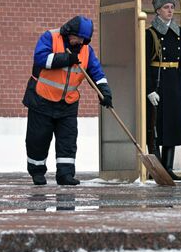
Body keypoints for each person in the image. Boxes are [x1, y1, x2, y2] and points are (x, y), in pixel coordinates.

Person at [22, 16, 113, 186]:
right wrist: (66, 58)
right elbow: (41, 58)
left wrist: (105, 93)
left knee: (68, 141)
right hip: (42, 100)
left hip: (68, 104)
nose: (79, 42)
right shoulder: (50, 37)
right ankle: (37, 172)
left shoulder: (86, 50)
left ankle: (65, 175)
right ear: (68, 32)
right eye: (77, 37)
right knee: (38, 139)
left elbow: (97, 73)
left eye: (83, 39)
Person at [145, 0, 181, 181]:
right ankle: (158, 167)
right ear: (157, 11)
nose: (170, 10)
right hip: (158, 82)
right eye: (166, 7)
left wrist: (180, 85)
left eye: (171, 7)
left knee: (172, 125)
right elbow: (145, 64)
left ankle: (168, 168)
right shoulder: (150, 33)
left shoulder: (180, 32)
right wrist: (149, 89)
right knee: (155, 126)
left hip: (173, 83)